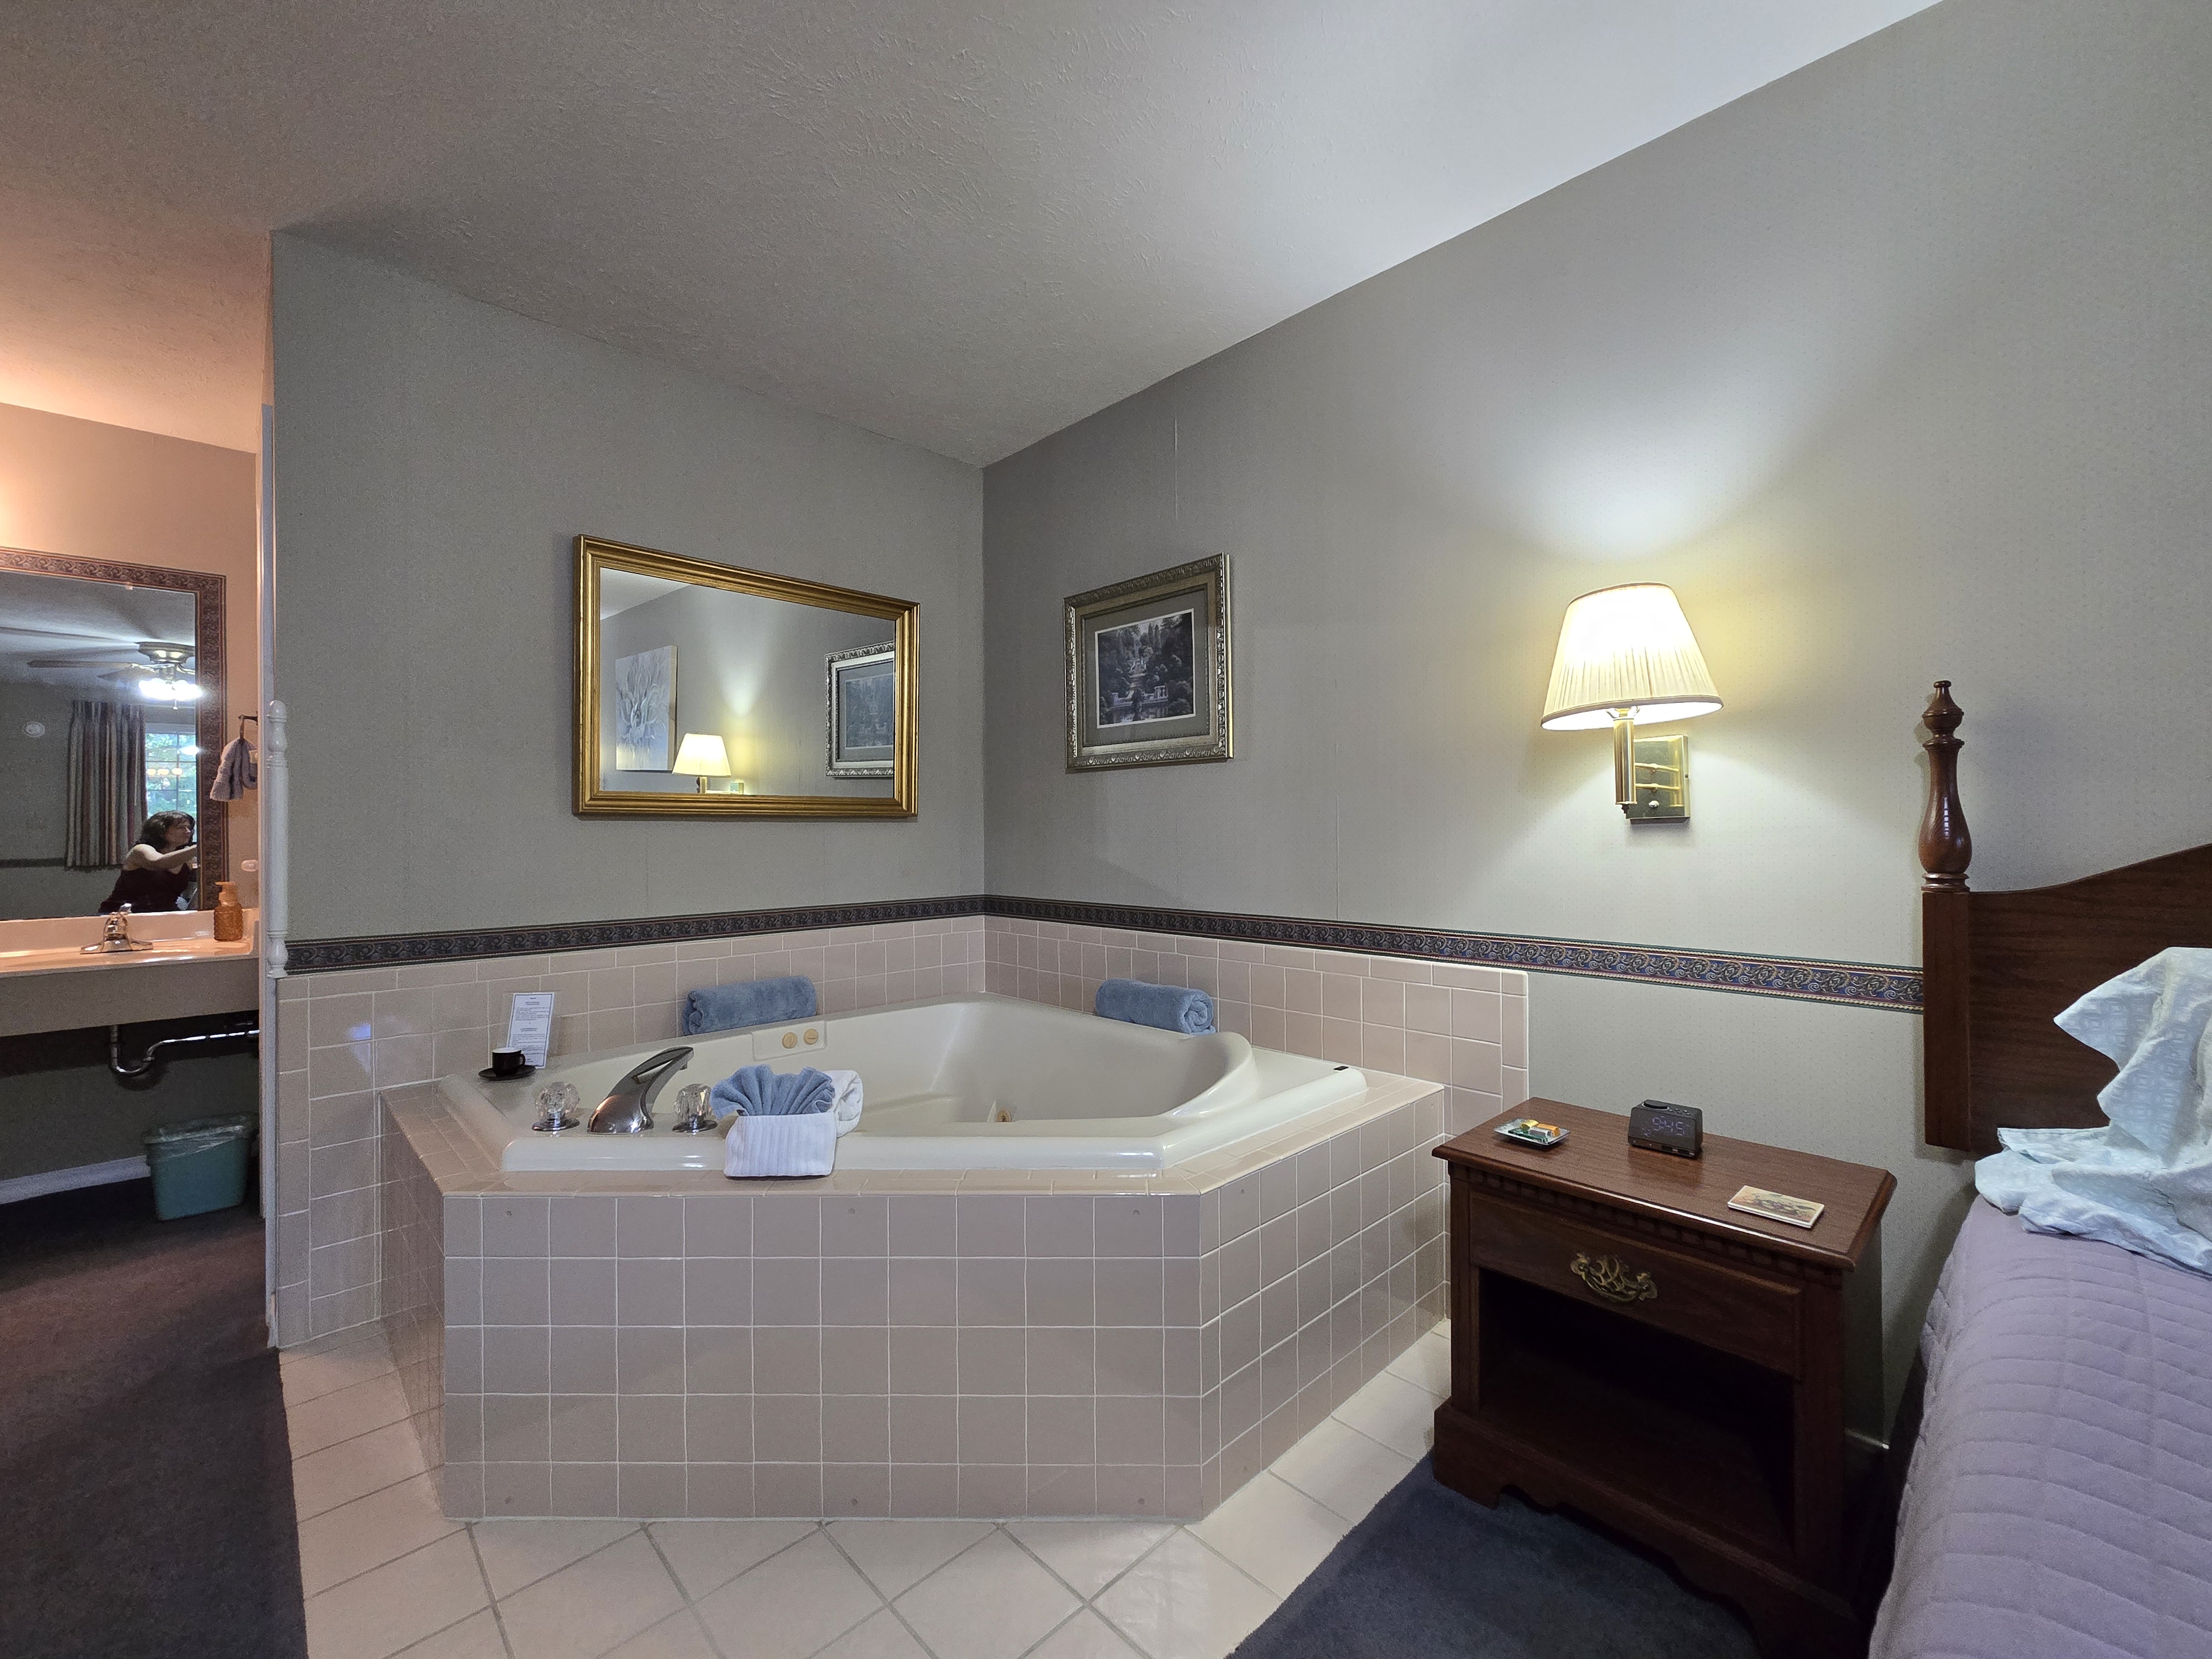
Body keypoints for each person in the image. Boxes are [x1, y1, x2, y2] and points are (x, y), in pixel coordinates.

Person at [97, 811, 197, 915]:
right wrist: (201, 846)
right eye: (181, 828)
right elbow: (159, 863)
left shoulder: (188, 859)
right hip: (123, 914)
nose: (188, 832)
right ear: (161, 831)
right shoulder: (141, 850)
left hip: (165, 915)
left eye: (189, 828)